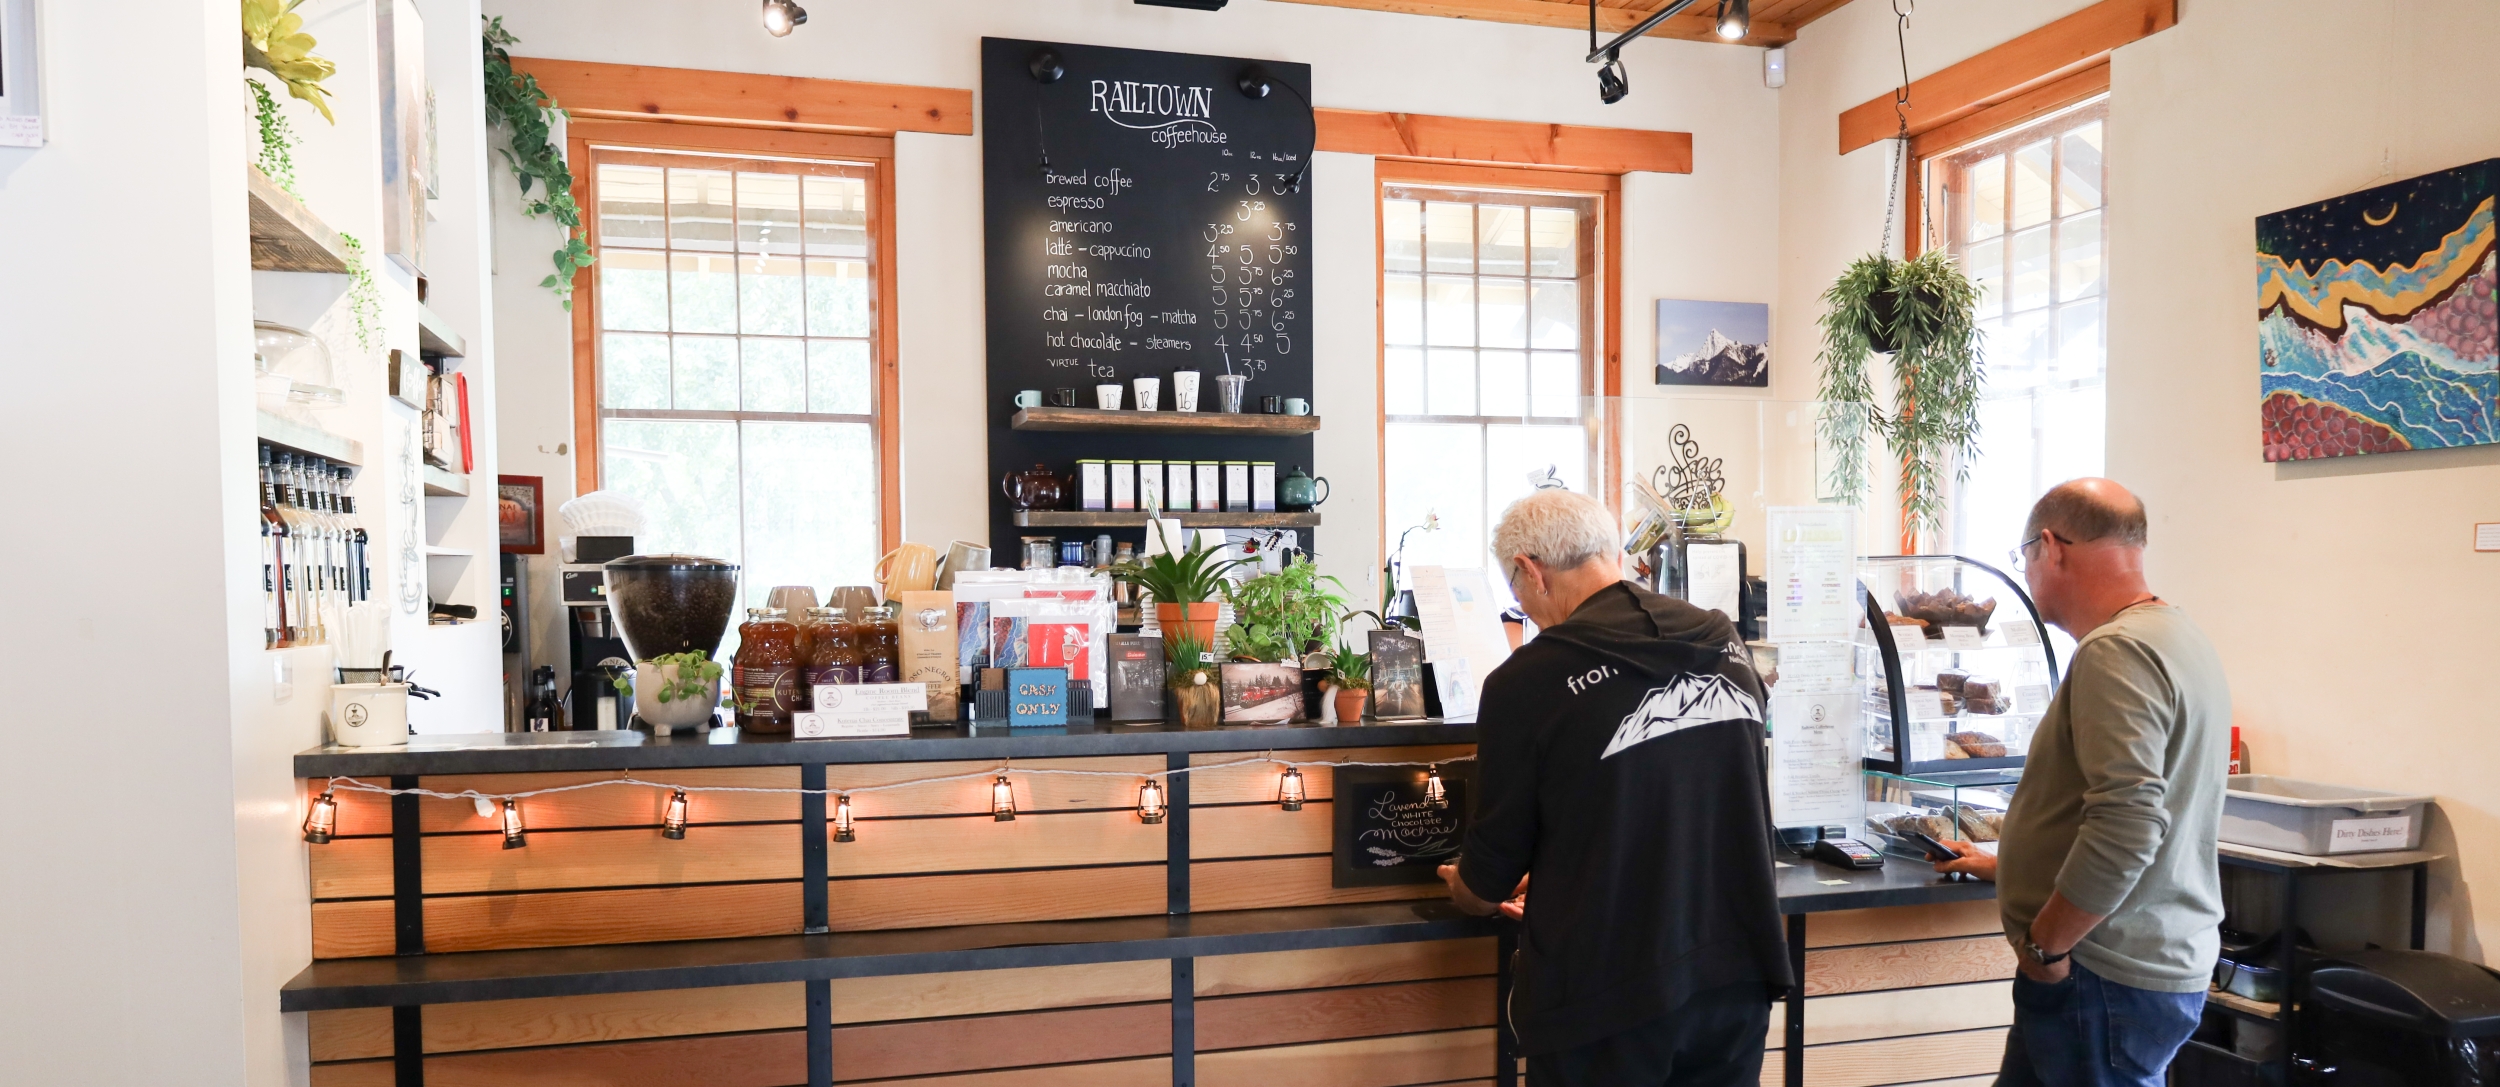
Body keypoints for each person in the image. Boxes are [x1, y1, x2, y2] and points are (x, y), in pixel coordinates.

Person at [1437, 489, 1791, 1087]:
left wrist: (1464, 888)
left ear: (1530, 569)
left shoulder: (1526, 680)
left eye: (1517, 593)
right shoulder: (1722, 640)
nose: (1523, 607)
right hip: (1737, 976)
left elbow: (1490, 871)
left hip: (1604, 998)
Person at [1932, 479, 2230, 1087]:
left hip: (2099, 969)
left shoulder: (2114, 653)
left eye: (2024, 557)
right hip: (2127, 961)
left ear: (2050, 547)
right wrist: (2011, 864)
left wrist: (2046, 949)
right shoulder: (2177, 635)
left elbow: (2128, 824)